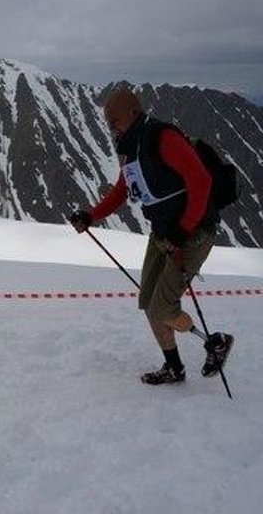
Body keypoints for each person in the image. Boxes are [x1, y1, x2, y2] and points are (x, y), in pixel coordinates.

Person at [70, 88, 234, 385]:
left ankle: (217, 341)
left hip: (192, 233)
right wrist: (91, 216)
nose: (111, 126)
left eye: (115, 120)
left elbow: (201, 181)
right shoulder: (131, 147)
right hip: (163, 233)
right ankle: (174, 367)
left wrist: (182, 229)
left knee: (162, 306)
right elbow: (123, 189)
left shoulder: (163, 138)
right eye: (108, 121)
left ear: (133, 113)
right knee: (149, 302)